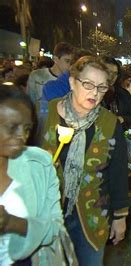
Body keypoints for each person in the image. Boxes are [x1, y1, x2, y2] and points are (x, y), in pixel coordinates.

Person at [41, 56, 130, 265]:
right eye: (88, 84)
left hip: (92, 215)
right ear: (72, 82)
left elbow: (117, 172)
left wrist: (120, 216)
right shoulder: (49, 114)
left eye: (101, 87)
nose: (95, 93)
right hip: (48, 214)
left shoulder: (109, 123)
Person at [0, 85, 75, 265]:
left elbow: (55, 227)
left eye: (27, 128)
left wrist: (13, 223)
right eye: (12, 127)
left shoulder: (39, 165)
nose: (21, 136)